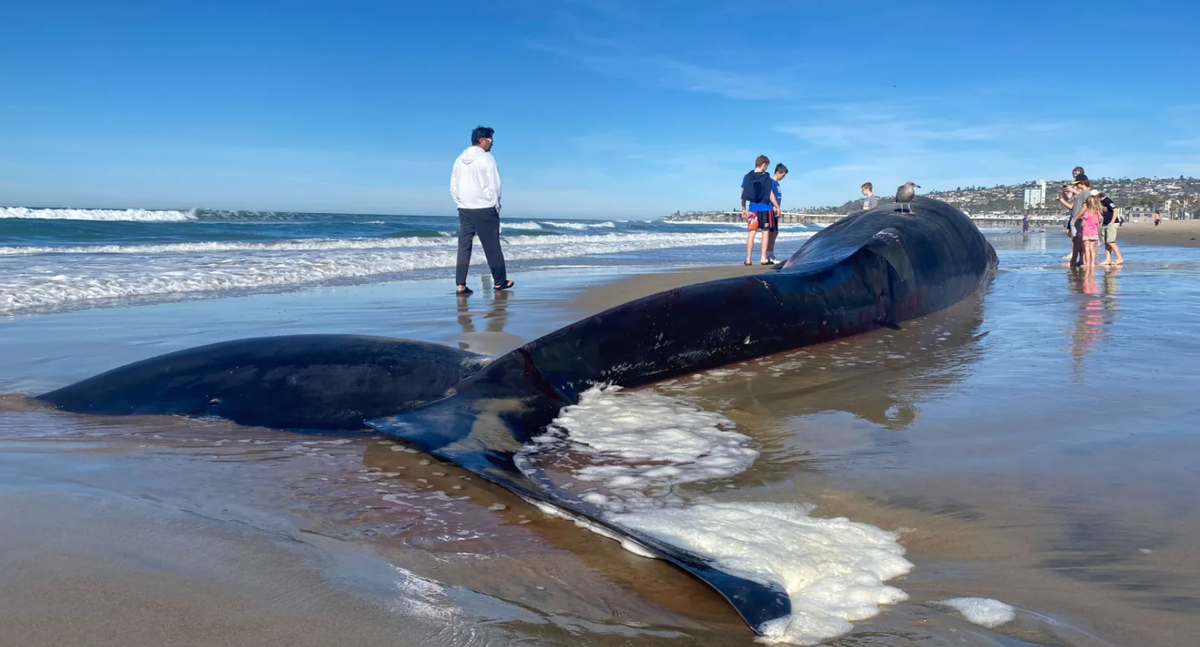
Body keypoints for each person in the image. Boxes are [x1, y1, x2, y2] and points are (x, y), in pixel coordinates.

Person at [450, 126, 513, 295]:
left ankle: (460, 285)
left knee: (464, 245)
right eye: (490, 141)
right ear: (481, 140)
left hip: (465, 208)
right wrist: (496, 206)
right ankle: (500, 282)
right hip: (484, 207)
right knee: (492, 245)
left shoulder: (459, 159)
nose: (492, 144)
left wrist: (461, 201)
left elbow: (453, 186)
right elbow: (494, 186)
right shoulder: (487, 159)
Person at [740, 155, 781, 265]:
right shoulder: (766, 177)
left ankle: (748, 259)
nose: (766, 169)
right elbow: (770, 193)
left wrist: (743, 208)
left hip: (753, 209)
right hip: (765, 208)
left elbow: (743, 193)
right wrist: (777, 206)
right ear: (763, 164)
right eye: (766, 166)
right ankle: (763, 258)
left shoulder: (747, 176)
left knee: (752, 233)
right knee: (765, 232)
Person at [765, 163, 788, 263]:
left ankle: (770, 253)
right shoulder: (771, 182)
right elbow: (769, 195)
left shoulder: (777, 184)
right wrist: (774, 207)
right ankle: (767, 254)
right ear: (778, 172)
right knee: (770, 233)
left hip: (776, 210)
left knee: (774, 233)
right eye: (783, 175)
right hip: (771, 210)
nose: (783, 178)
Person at [1075, 194, 1102, 269]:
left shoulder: (1086, 213)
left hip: (1086, 232)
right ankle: (1092, 263)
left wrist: (1081, 225)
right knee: (1092, 249)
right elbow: (1098, 222)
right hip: (1094, 232)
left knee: (1086, 248)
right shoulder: (1097, 213)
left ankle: (1087, 263)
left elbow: (1083, 224)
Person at [1097, 192, 1124, 266]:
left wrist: (1112, 222)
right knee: (1106, 243)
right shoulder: (1100, 202)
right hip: (1105, 223)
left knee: (1110, 241)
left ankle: (1119, 258)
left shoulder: (1107, 200)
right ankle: (1107, 259)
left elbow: (1115, 210)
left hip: (1112, 223)